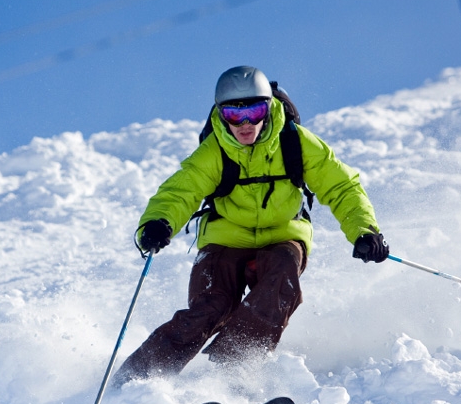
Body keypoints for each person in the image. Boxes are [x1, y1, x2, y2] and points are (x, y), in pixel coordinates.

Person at [112, 65, 388, 386]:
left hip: (283, 235)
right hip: (225, 238)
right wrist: (159, 222)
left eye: (254, 112)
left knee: (280, 277)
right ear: (221, 114)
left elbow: (341, 186)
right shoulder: (214, 151)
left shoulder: (295, 143)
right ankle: (138, 378)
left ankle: (236, 365)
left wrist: (364, 230)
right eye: (233, 115)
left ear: (268, 108)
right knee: (212, 305)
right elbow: (180, 192)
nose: (245, 124)